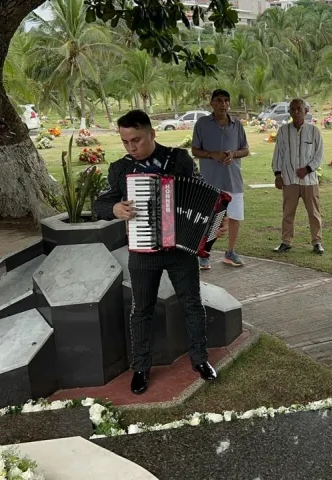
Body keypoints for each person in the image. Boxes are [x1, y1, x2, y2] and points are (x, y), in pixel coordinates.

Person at [94, 109, 218, 395]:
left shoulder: (179, 160)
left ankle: (200, 360)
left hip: (179, 249)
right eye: (125, 142)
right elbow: (101, 203)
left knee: (192, 304)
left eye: (136, 140)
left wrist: (211, 224)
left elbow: (202, 196)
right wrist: (114, 208)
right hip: (142, 251)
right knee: (141, 310)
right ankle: (141, 367)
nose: (131, 147)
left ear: (152, 133)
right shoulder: (120, 168)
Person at [191, 89, 250, 269]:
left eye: (226, 100)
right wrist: (212, 155)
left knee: (235, 217)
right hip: (211, 181)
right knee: (210, 218)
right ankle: (204, 254)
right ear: (212, 103)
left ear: (229, 103)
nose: (222, 104)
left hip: (233, 179)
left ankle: (230, 252)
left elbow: (245, 149)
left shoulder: (237, 124)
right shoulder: (202, 124)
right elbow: (195, 151)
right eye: (218, 100)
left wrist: (233, 154)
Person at [271, 98, 325, 254]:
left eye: (299, 109)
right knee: (288, 212)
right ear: (289, 112)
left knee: (314, 213)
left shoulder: (314, 131)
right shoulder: (283, 131)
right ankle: (286, 241)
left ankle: (317, 242)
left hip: (309, 181)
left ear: (305, 111)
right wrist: (277, 174)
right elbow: (278, 154)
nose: (295, 112)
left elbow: (319, 155)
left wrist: (308, 169)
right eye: (292, 109)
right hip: (289, 179)